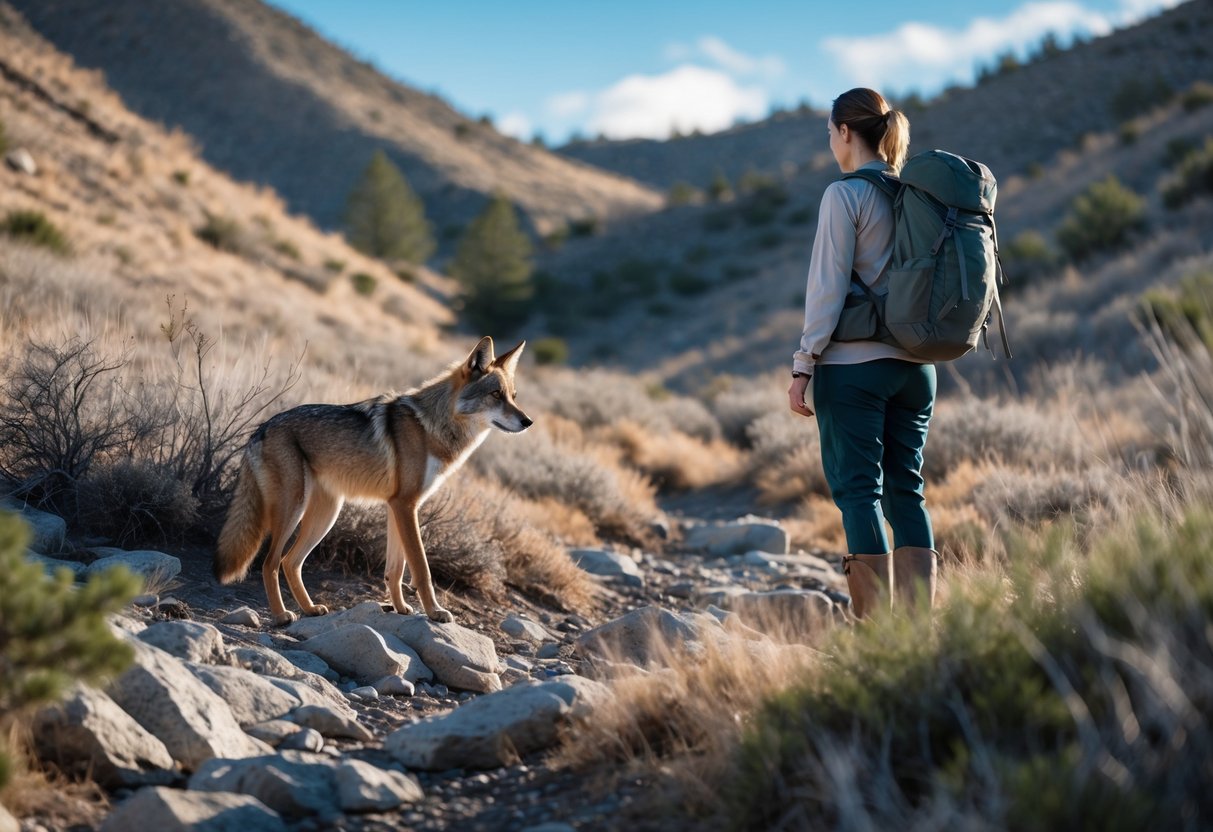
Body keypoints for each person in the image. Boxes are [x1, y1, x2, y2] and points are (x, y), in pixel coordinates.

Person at [786, 87, 937, 619]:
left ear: (846, 132)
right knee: (907, 494)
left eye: (830, 132)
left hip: (854, 372)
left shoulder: (843, 196)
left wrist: (804, 365)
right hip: (918, 369)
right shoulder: (919, 196)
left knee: (858, 494)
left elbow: (826, 290)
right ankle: (918, 632)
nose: (830, 142)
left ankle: (878, 638)